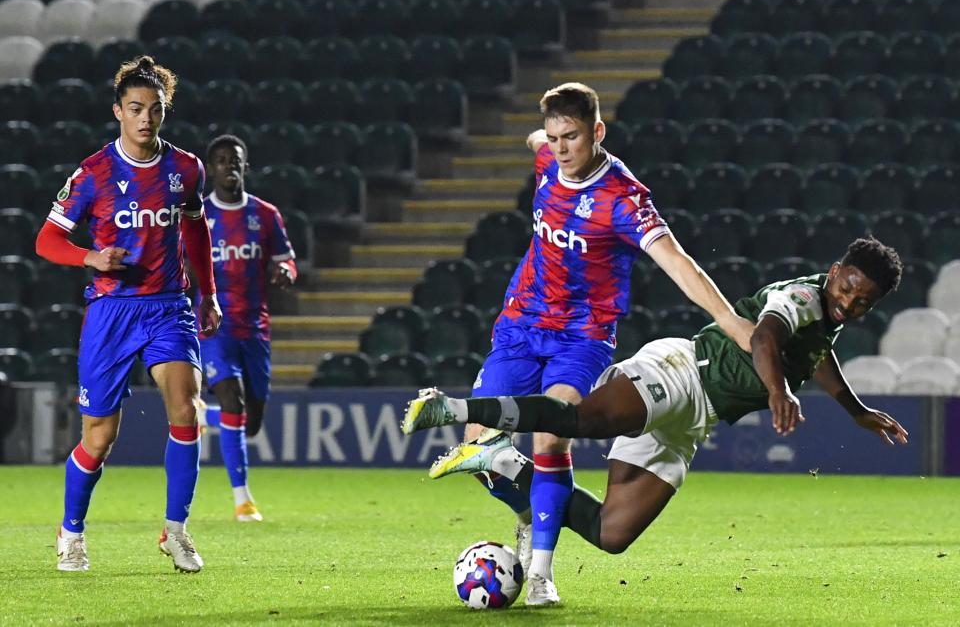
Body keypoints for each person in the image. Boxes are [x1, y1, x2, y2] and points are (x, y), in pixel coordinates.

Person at [403, 237, 909, 562]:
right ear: (834, 270)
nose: (849, 303)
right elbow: (764, 338)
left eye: (863, 302)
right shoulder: (801, 298)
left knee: (611, 534)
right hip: (684, 372)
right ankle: (456, 411)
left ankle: (505, 465)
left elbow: (816, 355)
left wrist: (857, 411)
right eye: (847, 289)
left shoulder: (826, 321)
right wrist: (778, 392)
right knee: (584, 420)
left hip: (694, 422)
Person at [461, 82, 753, 604]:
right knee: (478, 446)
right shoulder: (548, 157)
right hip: (521, 324)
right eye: (553, 138)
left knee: (550, 434)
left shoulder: (623, 199)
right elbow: (535, 141)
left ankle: (543, 575)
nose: (561, 149)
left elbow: (678, 263)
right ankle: (530, 515)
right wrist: (541, 140)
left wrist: (732, 322)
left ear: (597, 132)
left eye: (571, 137)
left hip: (582, 336)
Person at [35, 56, 221, 573]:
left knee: (188, 411)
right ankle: (71, 532)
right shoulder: (93, 173)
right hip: (111, 310)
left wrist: (207, 293)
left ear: (164, 112)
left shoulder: (186, 169)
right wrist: (89, 256)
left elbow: (194, 230)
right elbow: (47, 240)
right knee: (100, 437)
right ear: (118, 110)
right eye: (135, 108)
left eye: (155, 110)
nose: (145, 118)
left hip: (168, 306)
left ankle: (177, 531)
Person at [195, 134, 297, 523]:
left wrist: (285, 272)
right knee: (233, 400)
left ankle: (205, 417)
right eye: (221, 160)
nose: (229, 166)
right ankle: (243, 500)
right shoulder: (198, 216)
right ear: (212, 169)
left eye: (235, 160)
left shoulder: (266, 215)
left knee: (251, 421)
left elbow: (287, 261)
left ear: (245, 166)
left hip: (255, 329)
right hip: (213, 326)